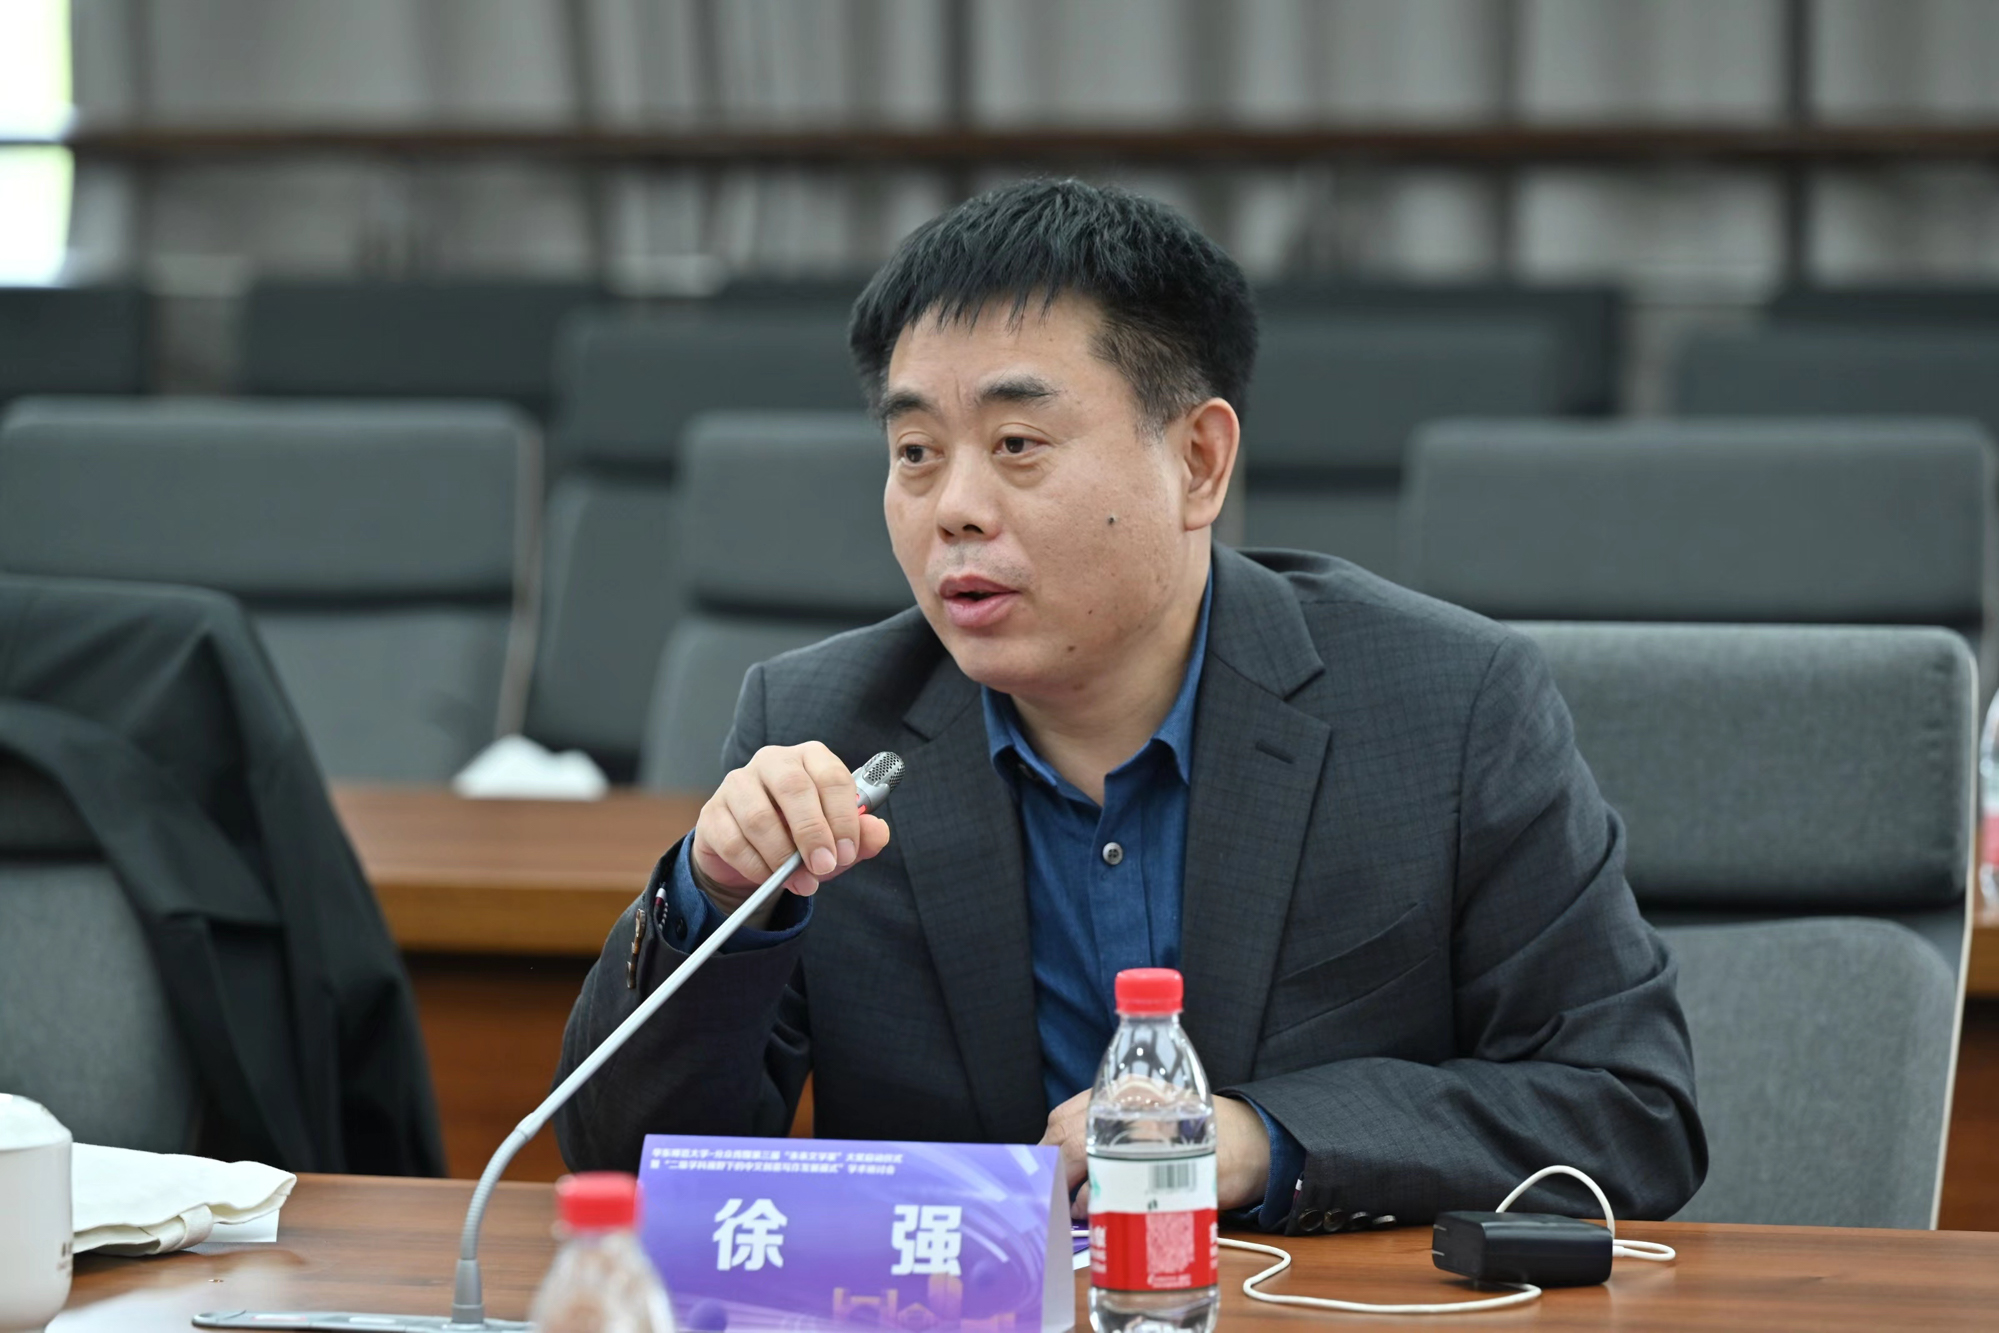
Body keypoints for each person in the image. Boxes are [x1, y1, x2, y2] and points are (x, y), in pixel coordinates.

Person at [554, 179, 1705, 1230]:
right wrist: (714, 898)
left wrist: (1259, 1138)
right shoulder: (820, 725)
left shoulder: (1443, 708)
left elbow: (1628, 1109)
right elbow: (628, 1168)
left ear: (1198, 461)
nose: (953, 507)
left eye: (1017, 443)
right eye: (914, 451)